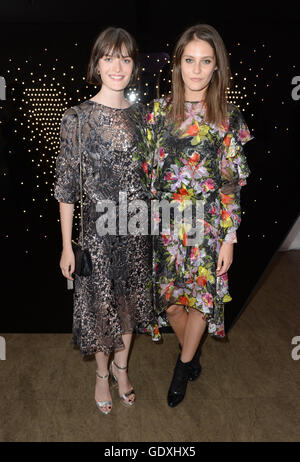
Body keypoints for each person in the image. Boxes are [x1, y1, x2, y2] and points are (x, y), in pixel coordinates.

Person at [138, 24, 253, 407]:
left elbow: (231, 185)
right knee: (172, 303)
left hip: (207, 226)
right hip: (165, 225)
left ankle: (182, 366)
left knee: (201, 301)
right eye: (190, 60)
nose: (197, 70)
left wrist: (229, 239)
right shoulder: (156, 113)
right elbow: (145, 174)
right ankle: (192, 352)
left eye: (206, 62)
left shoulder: (228, 118)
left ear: (217, 67)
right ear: (178, 63)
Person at [54, 27, 158, 415]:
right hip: (97, 235)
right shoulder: (77, 118)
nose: (118, 66)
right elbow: (66, 185)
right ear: (96, 63)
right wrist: (67, 244)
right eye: (110, 57)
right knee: (101, 309)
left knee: (129, 306)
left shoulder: (145, 118)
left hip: (136, 231)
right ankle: (102, 375)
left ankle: (121, 368)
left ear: (134, 66)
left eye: (126, 58)